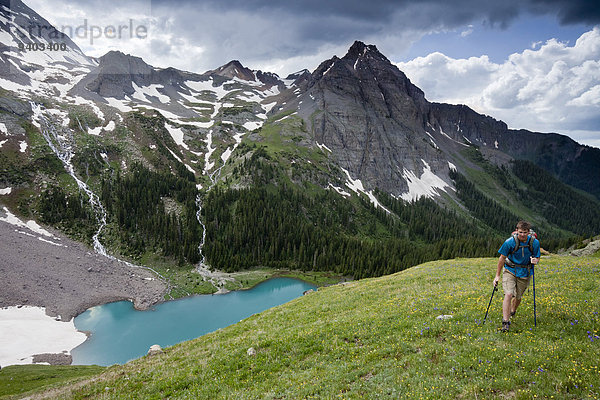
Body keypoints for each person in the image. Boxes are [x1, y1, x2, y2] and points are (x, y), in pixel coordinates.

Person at [493, 221, 541, 332]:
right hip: (510, 270)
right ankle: (505, 322)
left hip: (525, 272)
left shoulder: (535, 243)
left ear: (529, 232)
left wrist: (536, 260)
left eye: (525, 232)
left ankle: (513, 310)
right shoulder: (509, 242)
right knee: (508, 294)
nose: (522, 235)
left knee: (518, 297)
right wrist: (497, 276)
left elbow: (537, 257)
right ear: (516, 230)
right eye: (520, 232)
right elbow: (502, 258)